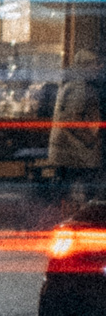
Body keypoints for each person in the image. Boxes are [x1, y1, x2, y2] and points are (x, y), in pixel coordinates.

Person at [53, 48, 103, 202]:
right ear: (85, 66)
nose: (99, 68)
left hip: (68, 151)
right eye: (95, 65)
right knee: (84, 195)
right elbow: (72, 121)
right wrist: (91, 141)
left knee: (67, 194)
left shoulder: (70, 84)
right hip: (77, 152)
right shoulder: (80, 88)